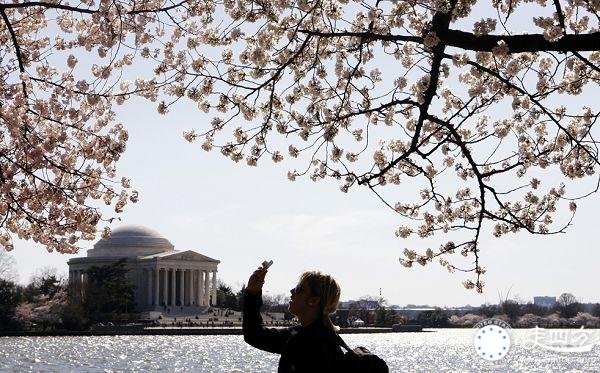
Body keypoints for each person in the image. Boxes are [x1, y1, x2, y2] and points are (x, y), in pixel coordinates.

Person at [243, 265, 344, 372]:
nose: (292, 291)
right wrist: (253, 294)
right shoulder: (301, 335)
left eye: (299, 289)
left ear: (314, 301)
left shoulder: (321, 346)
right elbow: (255, 335)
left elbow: (255, 336)